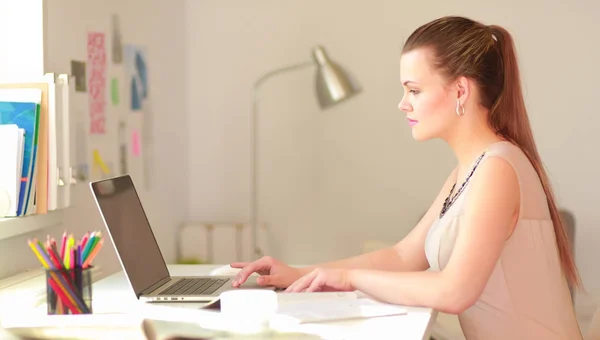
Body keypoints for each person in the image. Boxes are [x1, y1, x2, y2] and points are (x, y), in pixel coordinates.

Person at [230, 16, 583, 339]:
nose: (403, 103)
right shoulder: (472, 169)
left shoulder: (498, 169)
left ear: (460, 91)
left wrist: (349, 279)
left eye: (413, 90)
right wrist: (300, 273)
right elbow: (404, 256)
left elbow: (455, 292)